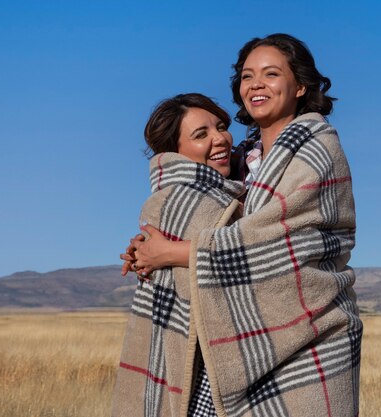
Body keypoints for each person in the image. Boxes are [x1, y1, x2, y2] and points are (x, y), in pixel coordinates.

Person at [123, 34, 362, 417]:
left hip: (312, 338)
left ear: (300, 85)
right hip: (234, 349)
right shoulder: (244, 162)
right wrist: (148, 245)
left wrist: (170, 252)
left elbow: (287, 246)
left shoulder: (317, 150)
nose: (256, 84)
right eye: (248, 76)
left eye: (271, 74)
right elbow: (207, 217)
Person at [112, 93, 245, 417]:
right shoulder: (190, 201)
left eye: (221, 127)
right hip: (206, 372)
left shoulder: (221, 191)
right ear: (175, 153)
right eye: (201, 135)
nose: (221, 139)